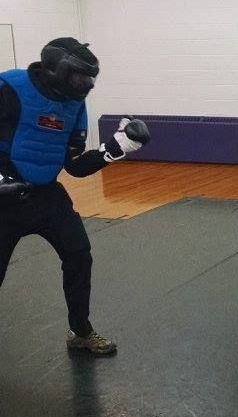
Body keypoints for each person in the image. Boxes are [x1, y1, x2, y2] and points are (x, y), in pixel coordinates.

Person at [0, 37, 149, 356]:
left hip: (46, 195)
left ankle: (81, 332)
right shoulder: (9, 87)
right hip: (3, 198)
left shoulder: (74, 105)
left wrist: (116, 148)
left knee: (79, 254)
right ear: (54, 69)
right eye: (80, 76)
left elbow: (75, 167)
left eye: (90, 77)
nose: (87, 84)